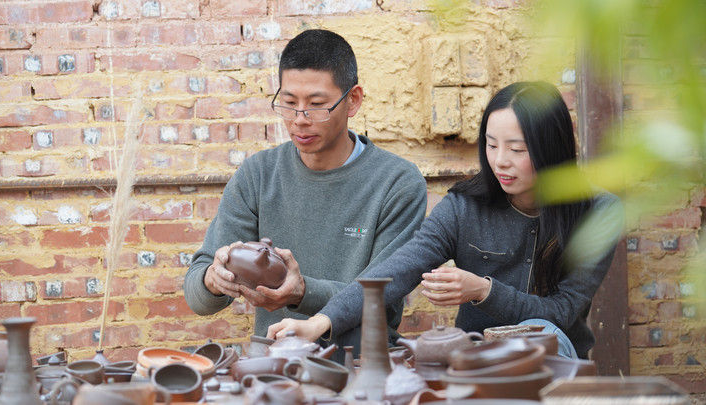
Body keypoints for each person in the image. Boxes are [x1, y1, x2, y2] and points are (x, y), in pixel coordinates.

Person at [268, 81, 623, 359]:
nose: (500, 160)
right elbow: (397, 270)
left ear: (551, 149)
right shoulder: (464, 206)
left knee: (542, 333)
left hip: (555, 365)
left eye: (517, 149)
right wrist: (320, 322)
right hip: (475, 362)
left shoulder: (599, 212)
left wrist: (484, 290)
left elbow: (561, 312)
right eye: (491, 145)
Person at [183, 29, 427, 361]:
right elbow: (197, 297)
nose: (299, 120)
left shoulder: (397, 183)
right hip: (277, 370)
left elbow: (381, 298)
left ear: (353, 100)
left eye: (316, 105)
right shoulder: (258, 175)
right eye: (288, 103)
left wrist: (303, 292)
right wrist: (214, 280)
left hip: (363, 367)